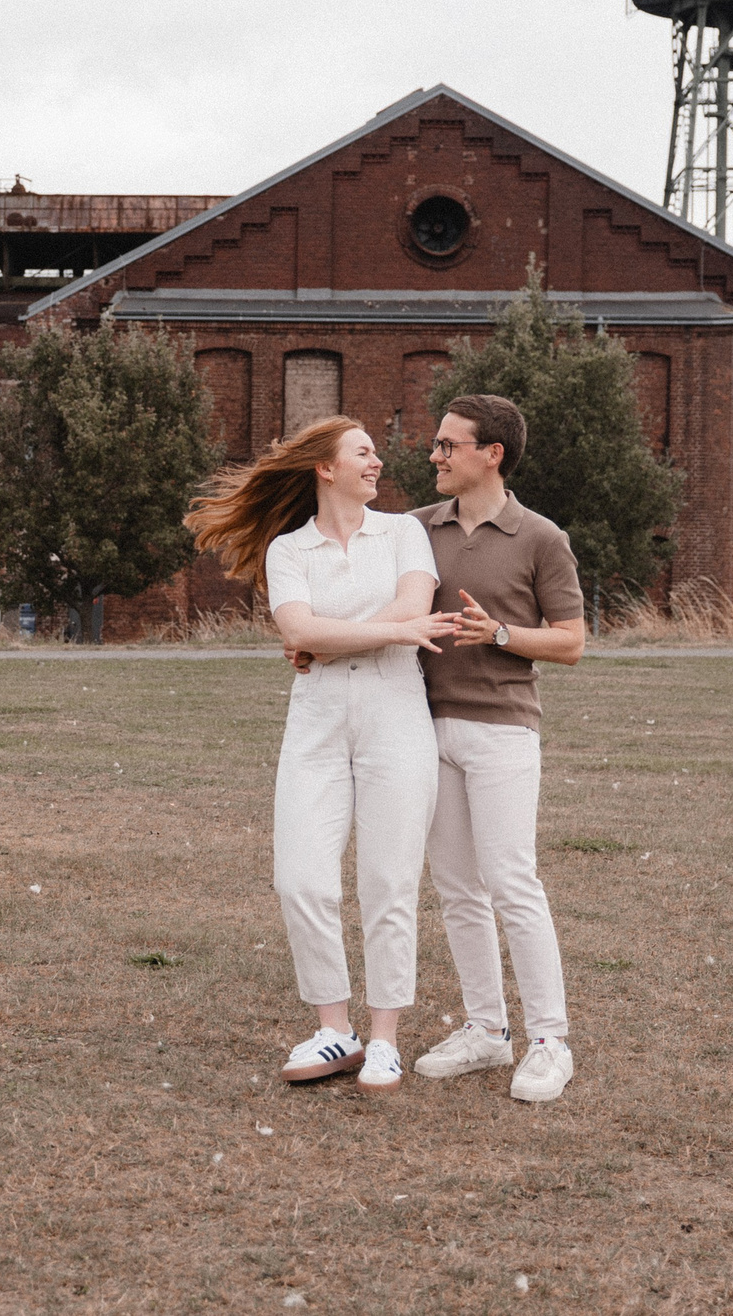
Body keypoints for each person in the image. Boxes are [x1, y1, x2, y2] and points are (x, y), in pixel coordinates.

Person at [186, 416, 457, 1092]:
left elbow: (412, 610)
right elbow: (311, 626)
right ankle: (335, 1029)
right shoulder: (289, 550)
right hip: (316, 720)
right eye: (363, 452)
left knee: (390, 882)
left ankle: (385, 1038)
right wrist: (345, 635)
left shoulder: (405, 533)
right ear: (325, 468)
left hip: (396, 714)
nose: (378, 462)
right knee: (300, 878)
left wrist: (326, 639)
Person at [406, 394, 589, 1104]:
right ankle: (487, 1029)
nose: (434, 454)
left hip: (503, 730)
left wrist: (503, 634)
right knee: (456, 889)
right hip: (423, 730)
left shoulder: (542, 537)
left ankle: (550, 1040)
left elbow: (571, 642)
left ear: (493, 454)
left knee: (512, 882)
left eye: (448, 444)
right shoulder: (415, 529)